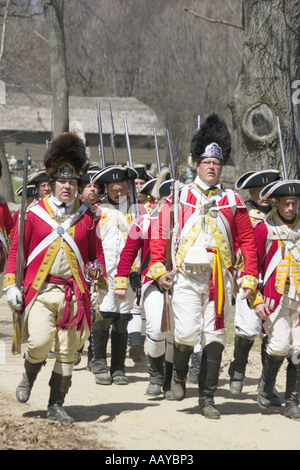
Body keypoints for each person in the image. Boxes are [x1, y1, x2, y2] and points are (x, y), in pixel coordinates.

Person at [147, 114, 258, 419]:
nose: (212, 167)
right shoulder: (179, 196)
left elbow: (247, 242)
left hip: (219, 279)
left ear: (222, 166)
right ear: (196, 164)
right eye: (207, 162)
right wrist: (158, 269)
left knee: (215, 338)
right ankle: (180, 375)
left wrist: (249, 274)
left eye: (217, 163)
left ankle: (207, 398)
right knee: (185, 335)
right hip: (185, 278)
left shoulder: (233, 200)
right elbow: (161, 234)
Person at [3, 132, 107, 424]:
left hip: (74, 295)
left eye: (73, 182)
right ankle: (29, 374)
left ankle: (55, 404)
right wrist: (11, 285)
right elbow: (16, 254)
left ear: (78, 185)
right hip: (41, 291)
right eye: (63, 181)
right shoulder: (33, 214)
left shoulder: (87, 217)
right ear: (52, 184)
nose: (67, 186)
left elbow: (93, 255)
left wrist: (96, 268)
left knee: (67, 352)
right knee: (38, 342)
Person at [114, 176, 175, 398]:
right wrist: (121, 281)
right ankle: (155, 375)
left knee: (175, 336)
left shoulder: (189, 225)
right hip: (152, 281)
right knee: (157, 330)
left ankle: (170, 379)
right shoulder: (143, 222)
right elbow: (128, 254)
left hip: (182, 283)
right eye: (165, 200)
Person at [88, 165, 146, 385]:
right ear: (106, 187)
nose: (118, 190)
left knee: (122, 320)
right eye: (113, 186)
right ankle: (100, 362)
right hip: (104, 273)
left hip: (129, 273)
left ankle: (119, 367)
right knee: (103, 317)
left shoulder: (138, 211)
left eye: (121, 185)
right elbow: (90, 243)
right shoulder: (95, 210)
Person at [228, 169, 281, 395]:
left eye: (270, 191)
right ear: (252, 191)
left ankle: (265, 383)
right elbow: (232, 241)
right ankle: (238, 369)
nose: (266, 196)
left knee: (272, 332)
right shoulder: (242, 214)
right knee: (248, 329)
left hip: (275, 279)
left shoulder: (282, 217)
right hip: (247, 276)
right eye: (261, 191)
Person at [251, 179, 300, 420]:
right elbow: (253, 265)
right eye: (287, 203)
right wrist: (255, 297)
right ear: (277, 202)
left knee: (299, 350)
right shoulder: (264, 228)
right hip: (275, 298)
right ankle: (266, 385)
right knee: (280, 345)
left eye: (295, 203)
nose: (291, 208)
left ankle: (293, 401)